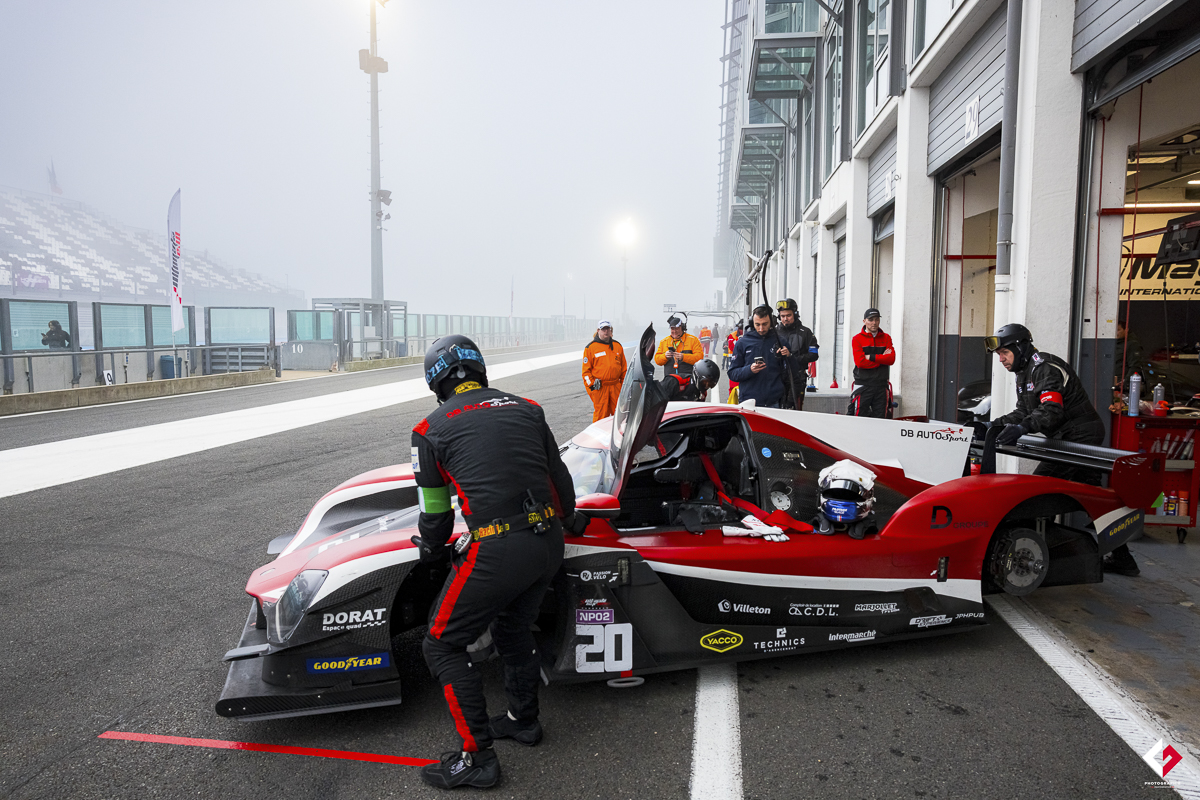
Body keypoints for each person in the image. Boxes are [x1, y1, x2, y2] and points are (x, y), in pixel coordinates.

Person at [410, 334, 589, 788]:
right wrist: (569, 519)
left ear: (436, 383)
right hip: (547, 541)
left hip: (496, 548)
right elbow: (559, 480)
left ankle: (478, 758)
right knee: (512, 628)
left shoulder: (429, 431)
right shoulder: (528, 408)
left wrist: (430, 550)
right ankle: (522, 720)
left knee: (441, 644)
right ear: (479, 369)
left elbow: (434, 514)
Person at [985, 323, 1139, 577]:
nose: (1001, 359)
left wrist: (1022, 428)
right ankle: (1123, 559)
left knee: (1039, 490)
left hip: (1079, 437)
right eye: (999, 355)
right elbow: (1024, 411)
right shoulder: (1024, 372)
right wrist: (994, 424)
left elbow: (1051, 410)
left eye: (1004, 353)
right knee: (1092, 498)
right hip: (1065, 437)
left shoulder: (1045, 368)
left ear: (1020, 348)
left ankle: (1038, 555)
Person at [728, 305, 787, 408]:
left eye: (765, 324)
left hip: (774, 402)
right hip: (748, 402)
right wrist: (749, 370)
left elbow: (792, 371)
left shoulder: (781, 341)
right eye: (757, 324)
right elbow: (732, 373)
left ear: (772, 322)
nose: (761, 328)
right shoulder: (742, 343)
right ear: (752, 323)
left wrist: (789, 356)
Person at [849, 308, 895, 417]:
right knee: (858, 416)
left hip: (881, 385)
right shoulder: (857, 339)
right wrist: (882, 359)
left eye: (877, 319)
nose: (874, 323)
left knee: (881, 419)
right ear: (864, 321)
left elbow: (891, 359)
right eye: (871, 320)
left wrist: (870, 357)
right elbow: (860, 362)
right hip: (863, 385)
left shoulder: (886, 337)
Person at [775, 299, 819, 410]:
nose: (785, 319)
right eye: (782, 316)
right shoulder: (774, 332)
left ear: (795, 314)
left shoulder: (806, 332)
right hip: (777, 377)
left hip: (797, 378)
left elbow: (814, 355)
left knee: (794, 408)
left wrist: (792, 357)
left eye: (788, 315)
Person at [581, 320, 627, 422]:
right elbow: (586, 373)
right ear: (598, 331)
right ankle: (599, 437)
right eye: (603, 329)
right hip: (600, 388)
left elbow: (624, 370)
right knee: (601, 418)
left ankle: (619, 437)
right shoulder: (590, 348)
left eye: (608, 329)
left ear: (611, 331)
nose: (606, 331)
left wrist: (624, 387)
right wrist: (592, 388)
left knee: (620, 416)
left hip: (616, 387)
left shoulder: (617, 346)